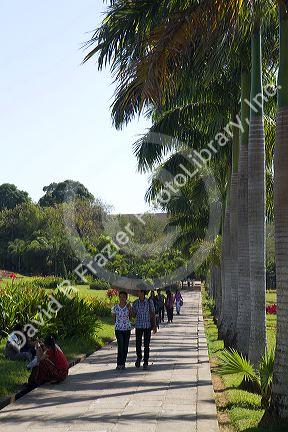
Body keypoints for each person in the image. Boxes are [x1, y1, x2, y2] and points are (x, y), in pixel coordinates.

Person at [132, 289, 157, 370]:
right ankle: (139, 357)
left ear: (143, 293)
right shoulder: (135, 303)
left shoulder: (149, 302)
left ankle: (145, 362)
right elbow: (133, 315)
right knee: (138, 344)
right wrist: (130, 309)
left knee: (146, 345)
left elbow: (153, 314)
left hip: (147, 326)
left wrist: (154, 326)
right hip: (138, 326)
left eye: (139, 291)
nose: (137, 293)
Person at [112, 291, 132, 370]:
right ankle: (119, 363)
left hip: (127, 329)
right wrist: (117, 324)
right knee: (120, 346)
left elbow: (130, 317)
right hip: (118, 329)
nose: (122, 298)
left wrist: (130, 309)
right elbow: (113, 318)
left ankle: (123, 363)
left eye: (124, 296)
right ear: (119, 297)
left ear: (126, 298)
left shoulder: (128, 306)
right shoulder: (115, 307)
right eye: (121, 296)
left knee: (125, 347)